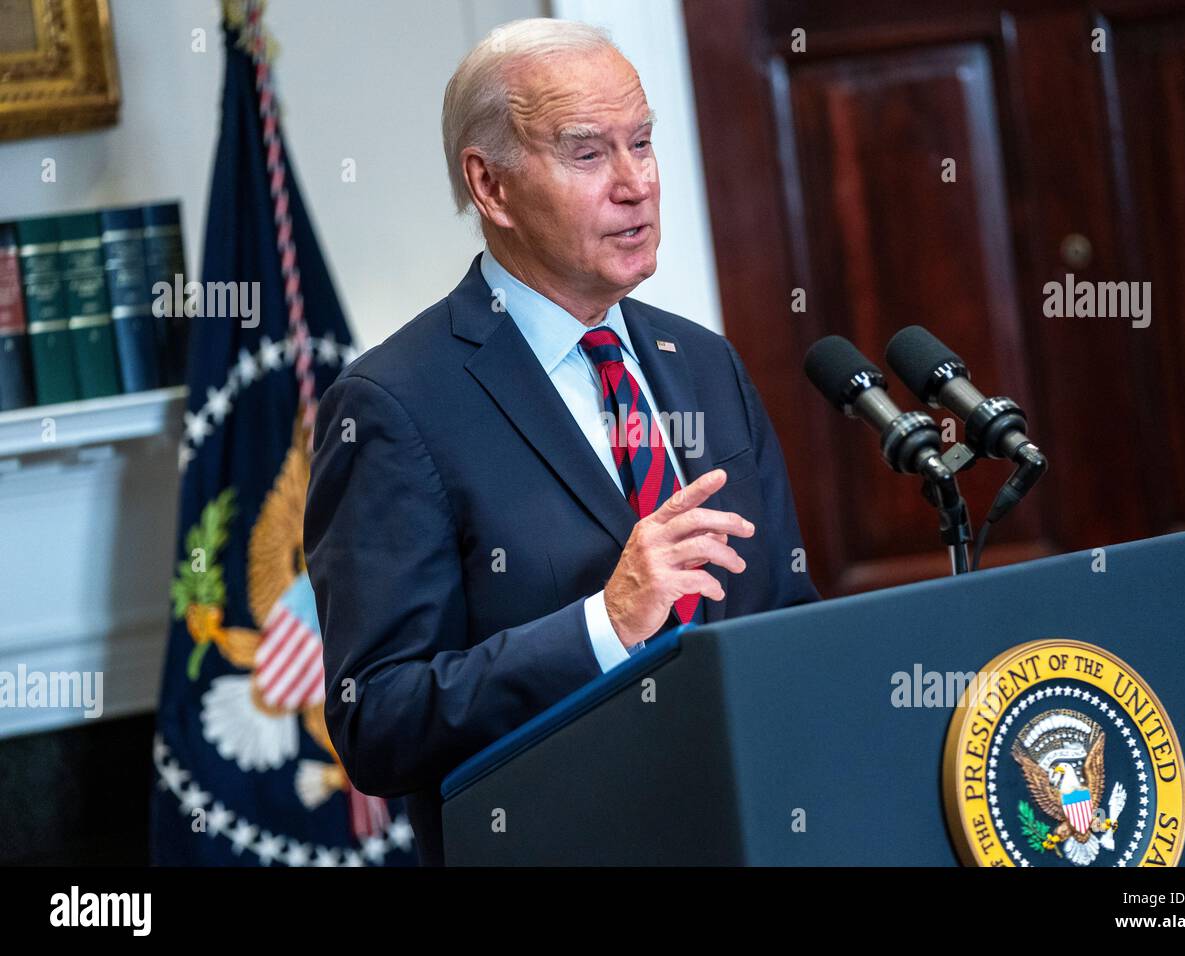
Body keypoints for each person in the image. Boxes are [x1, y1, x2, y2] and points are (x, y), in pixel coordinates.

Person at [304, 18, 820, 866]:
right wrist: (605, 622)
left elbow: (786, 624)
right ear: (492, 186)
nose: (637, 184)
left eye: (643, 143)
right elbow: (379, 721)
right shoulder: (395, 406)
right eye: (588, 154)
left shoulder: (701, 362)